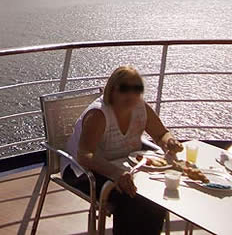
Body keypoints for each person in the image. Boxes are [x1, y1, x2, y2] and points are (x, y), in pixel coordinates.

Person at [61, 66, 183, 235]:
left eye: (136, 89)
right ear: (112, 90)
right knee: (131, 199)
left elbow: (161, 133)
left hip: (120, 166)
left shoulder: (141, 108)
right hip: (81, 172)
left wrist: (169, 142)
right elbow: (85, 155)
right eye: (125, 89)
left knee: (155, 198)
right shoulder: (99, 115)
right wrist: (116, 173)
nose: (131, 94)